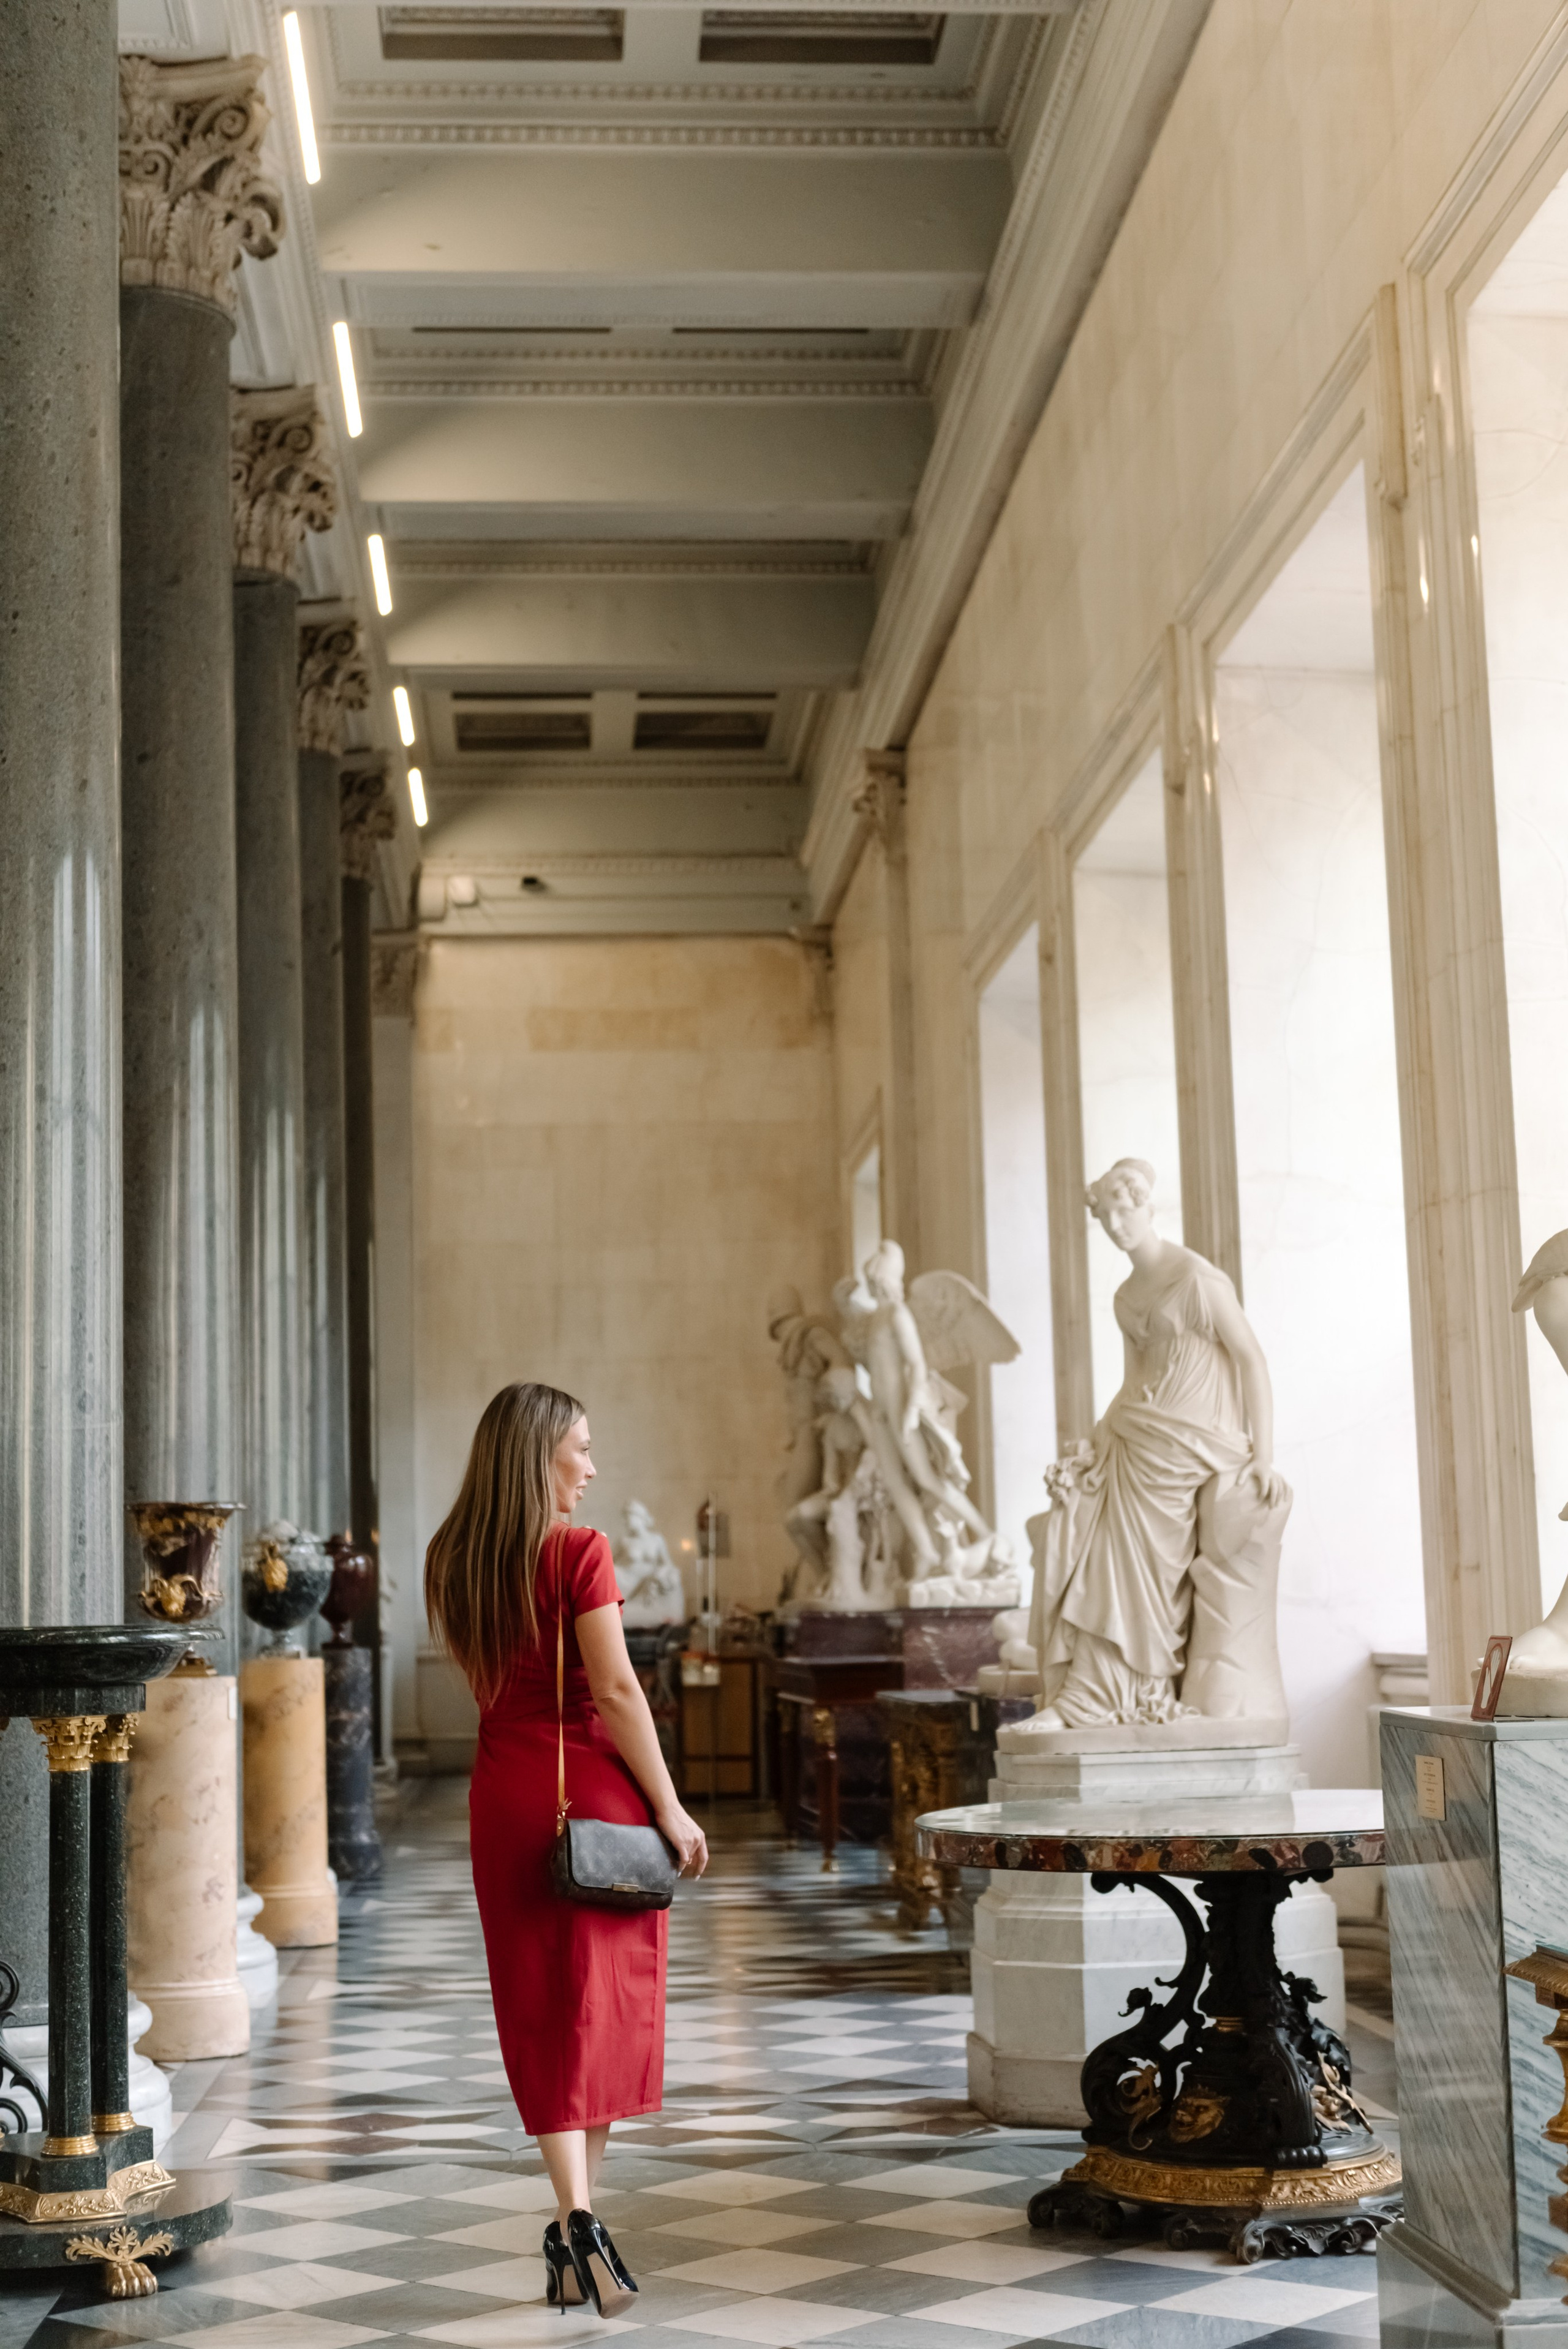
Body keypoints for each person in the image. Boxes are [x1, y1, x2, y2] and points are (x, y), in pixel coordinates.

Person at [425, 1383, 708, 2318]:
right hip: (585, 1793)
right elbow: (618, 1691)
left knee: (538, 2007)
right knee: (599, 2006)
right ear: (538, 1454)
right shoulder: (578, 1553)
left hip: (503, 1796)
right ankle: (581, 2219)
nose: (591, 1468)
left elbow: (492, 1683)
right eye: (579, 1450)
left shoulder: (449, 1559)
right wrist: (671, 1807)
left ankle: (571, 2225)